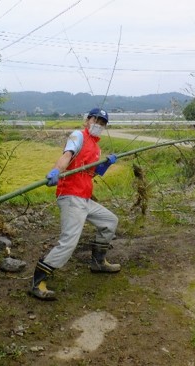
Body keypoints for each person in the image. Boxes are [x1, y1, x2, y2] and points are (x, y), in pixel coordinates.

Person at [29, 107, 120, 301]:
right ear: (87, 120)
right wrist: (56, 171)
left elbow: (92, 173)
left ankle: (98, 262)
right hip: (71, 196)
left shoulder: (96, 147)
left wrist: (105, 164)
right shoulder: (77, 136)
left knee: (110, 222)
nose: (99, 125)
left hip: (84, 198)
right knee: (69, 240)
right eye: (96, 121)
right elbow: (66, 156)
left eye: (103, 123)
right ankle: (38, 281)